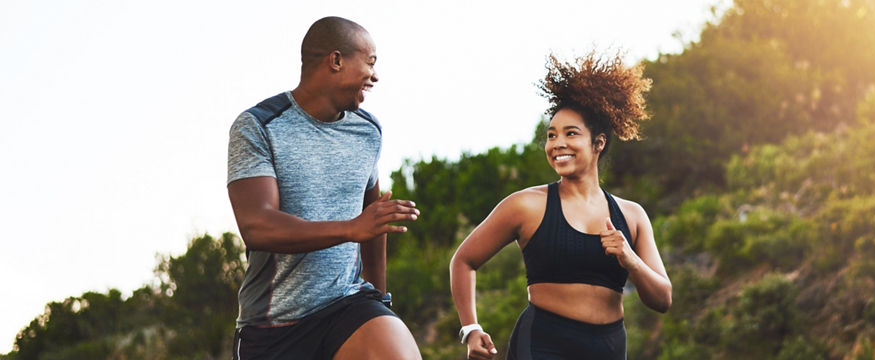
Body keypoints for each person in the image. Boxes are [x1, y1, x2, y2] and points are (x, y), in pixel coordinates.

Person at [449, 51, 673, 360]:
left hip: (608, 347)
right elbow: (463, 260)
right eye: (551, 135)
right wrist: (470, 328)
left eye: (571, 134)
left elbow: (663, 299)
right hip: (543, 343)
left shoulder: (632, 216)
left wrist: (629, 258)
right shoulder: (526, 206)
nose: (557, 144)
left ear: (599, 142)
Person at [226, 16, 422, 360]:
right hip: (273, 328)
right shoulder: (259, 126)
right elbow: (257, 226)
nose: (375, 76)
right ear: (336, 60)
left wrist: (380, 299)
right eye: (370, 62)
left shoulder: (368, 131)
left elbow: (373, 223)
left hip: (347, 305)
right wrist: (350, 229)